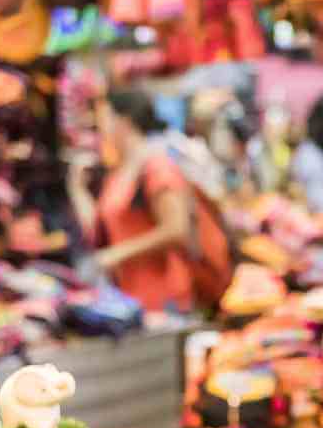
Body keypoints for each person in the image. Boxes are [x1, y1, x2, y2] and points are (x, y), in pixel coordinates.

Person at [66, 90, 230, 312]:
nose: (99, 126)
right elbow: (102, 231)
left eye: (103, 116)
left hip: (166, 296)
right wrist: (77, 189)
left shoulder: (156, 166)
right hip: (129, 296)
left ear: (123, 120)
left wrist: (115, 255)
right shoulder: (120, 173)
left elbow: (176, 230)